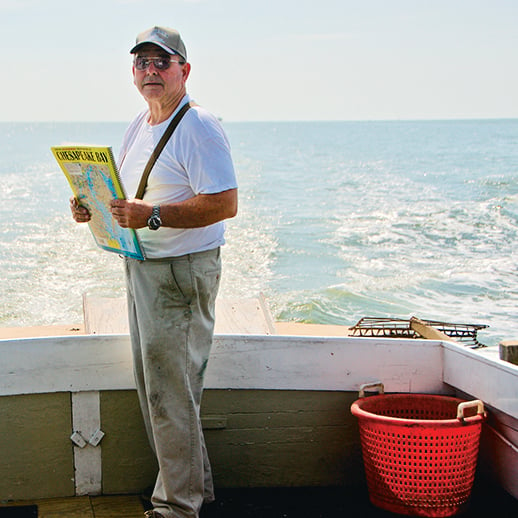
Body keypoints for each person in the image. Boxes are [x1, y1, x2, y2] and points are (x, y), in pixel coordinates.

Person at [70, 26, 238, 518]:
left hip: (180, 272)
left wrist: (154, 216)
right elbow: (127, 194)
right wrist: (93, 208)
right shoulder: (139, 125)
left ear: (184, 70)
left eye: (161, 63)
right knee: (157, 386)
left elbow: (225, 204)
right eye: (142, 63)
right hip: (144, 267)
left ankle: (176, 508)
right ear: (133, 73)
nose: (150, 71)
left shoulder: (200, 126)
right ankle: (196, 489)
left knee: (170, 391)